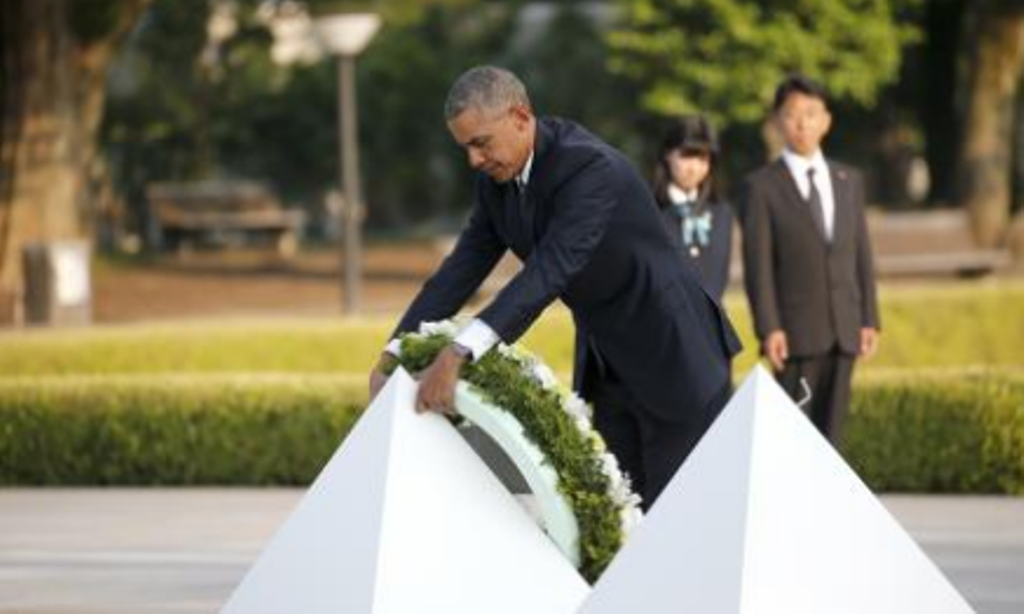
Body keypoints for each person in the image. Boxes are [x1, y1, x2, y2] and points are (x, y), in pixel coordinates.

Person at [369, 66, 741, 509]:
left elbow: (549, 271)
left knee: (677, 518)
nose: (474, 160)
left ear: (520, 117)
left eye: (481, 143)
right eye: (465, 148)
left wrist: (459, 352)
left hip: (676, 356)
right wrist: (394, 351)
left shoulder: (588, 167)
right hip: (609, 365)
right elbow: (459, 272)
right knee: (623, 515)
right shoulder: (495, 184)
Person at [739, 74, 880, 445]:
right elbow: (759, 266)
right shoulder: (761, 187)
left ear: (827, 120)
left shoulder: (849, 180)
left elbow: (861, 252)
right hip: (795, 334)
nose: (802, 123)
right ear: (777, 122)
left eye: (811, 113)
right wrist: (769, 327)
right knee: (796, 439)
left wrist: (869, 317)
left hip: (845, 329)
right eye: (792, 114)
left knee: (833, 437)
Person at [652, 115, 733, 301]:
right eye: (686, 156)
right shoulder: (649, 211)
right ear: (667, 154)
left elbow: (719, 278)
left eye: (703, 158)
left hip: (709, 325)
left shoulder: (721, 213)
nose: (694, 168)